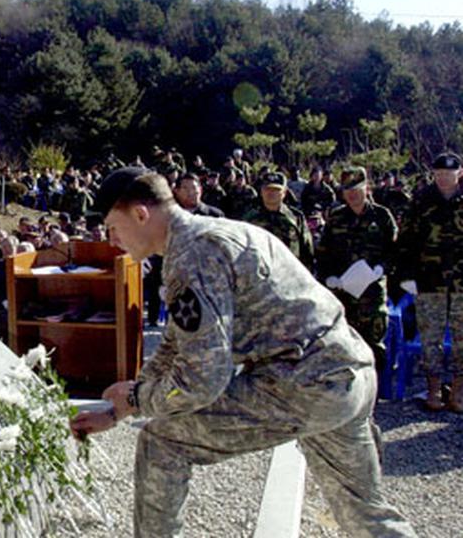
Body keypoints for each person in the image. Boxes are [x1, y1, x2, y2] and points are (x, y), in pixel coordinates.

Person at [70, 167, 416, 538]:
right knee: (366, 514)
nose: (112, 241)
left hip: (306, 382)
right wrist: (122, 406)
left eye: (113, 228)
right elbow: (176, 344)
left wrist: (138, 399)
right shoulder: (216, 235)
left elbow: (203, 381)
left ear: (140, 214)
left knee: (162, 442)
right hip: (348, 374)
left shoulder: (193, 256)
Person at [317, 167, 398, 379]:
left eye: (357, 188)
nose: (352, 194)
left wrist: (381, 268)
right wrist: (328, 278)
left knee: (374, 345)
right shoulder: (336, 218)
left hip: (372, 293)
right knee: (343, 342)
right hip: (343, 292)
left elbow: (396, 250)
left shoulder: (381, 216)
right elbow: (324, 253)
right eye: (347, 190)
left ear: (367, 188)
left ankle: (374, 392)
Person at [397, 153, 463, 412]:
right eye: (439, 174)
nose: (443, 178)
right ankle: (434, 389)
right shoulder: (422, 199)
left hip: (461, 281)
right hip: (429, 280)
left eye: (448, 174)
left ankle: (458, 391)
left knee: (462, 338)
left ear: (459, 173)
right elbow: (406, 240)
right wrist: (406, 276)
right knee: (430, 338)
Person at [244, 171, 315, 269]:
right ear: (261, 191)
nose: (271, 193)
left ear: (284, 193)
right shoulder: (249, 218)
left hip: (289, 272)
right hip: (259, 274)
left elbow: (306, 248)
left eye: (276, 190)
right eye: (267, 189)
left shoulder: (295, 217)